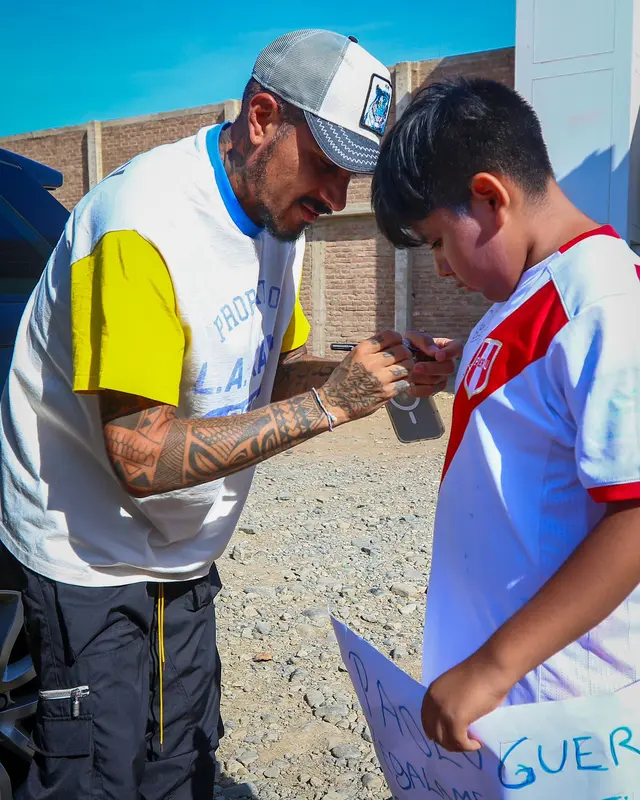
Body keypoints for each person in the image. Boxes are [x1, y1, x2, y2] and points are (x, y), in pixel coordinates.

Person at [0, 29, 413, 798]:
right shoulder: (141, 225)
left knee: (182, 765)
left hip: (183, 556)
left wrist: (376, 372)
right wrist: (331, 405)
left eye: (352, 175)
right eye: (326, 165)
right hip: (87, 553)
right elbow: (140, 457)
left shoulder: (277, 220)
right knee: (96, 779)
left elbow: (274, 375)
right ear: (261, 116)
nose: (336, 197)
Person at [372, 77, 640, 753]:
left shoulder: (603, 301)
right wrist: (458, 369)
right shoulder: (529, 295)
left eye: (435, 240)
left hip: (561, 711)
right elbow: (540, 408)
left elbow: (636, 513)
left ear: (490, 197)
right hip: (514, 693)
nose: (438, 268)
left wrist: (493, 668)